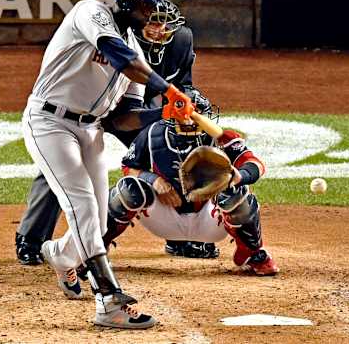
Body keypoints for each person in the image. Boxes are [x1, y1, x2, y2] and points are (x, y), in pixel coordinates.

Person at [21, 0, 193, 329]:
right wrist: (168, 88)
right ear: (130, 1)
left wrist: (164, 113)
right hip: (50, 123)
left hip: (90, 130)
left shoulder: (134, 48)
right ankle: (109, 301)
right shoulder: (91, 12)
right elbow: (118, 56)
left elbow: (121, 118)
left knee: (97, 223)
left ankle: (58, 253)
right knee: (81, 203)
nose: (153, 13)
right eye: (148, 4)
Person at [15, 0, 218, 267]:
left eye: (163, 22)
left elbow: (182, 88)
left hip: (138, 109)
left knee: (173, 150)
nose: (158, 28)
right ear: (136, 14)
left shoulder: (179, 41)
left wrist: (173, 119)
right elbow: (125, 69)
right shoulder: (110, 30)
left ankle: (179, 232)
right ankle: (32, 237)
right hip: (90, 105)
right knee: (63, 163)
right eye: (152, 18)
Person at [101, 87, 280, 277]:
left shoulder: (222, 138)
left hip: (209, 220)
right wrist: (153, 180)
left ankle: (252, 253)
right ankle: (98, 249)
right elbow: (130, 168)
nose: (193, 120)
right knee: (128, 189)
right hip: (164, 218)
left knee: (236, 192)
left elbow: (256, 164)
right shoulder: (152, 134)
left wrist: (240, 176)